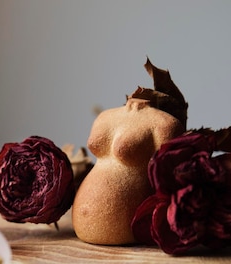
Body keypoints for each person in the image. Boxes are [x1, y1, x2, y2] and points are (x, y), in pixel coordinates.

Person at [72, 97, 184, 245]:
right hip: (81, 226)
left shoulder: (164, 125)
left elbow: (168, 174)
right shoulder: (104, 116)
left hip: (128, 228)